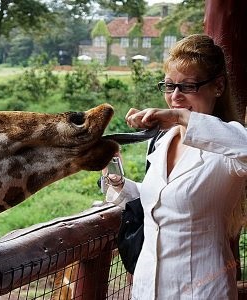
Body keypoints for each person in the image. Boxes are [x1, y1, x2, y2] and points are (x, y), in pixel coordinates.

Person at [103, 34, 247, 299]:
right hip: (148, 288)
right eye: (169, 87)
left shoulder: (230, 145)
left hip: (203, 289)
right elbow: (164, 202)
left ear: (218, 86)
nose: (175, 97)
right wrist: (121, 185)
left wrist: (180, 116)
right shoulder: (161, 140)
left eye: (188, 87)